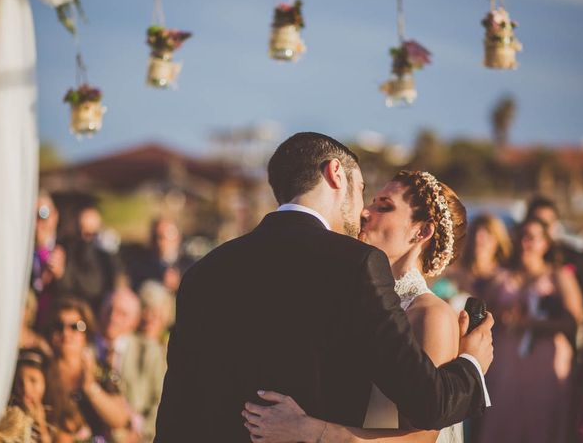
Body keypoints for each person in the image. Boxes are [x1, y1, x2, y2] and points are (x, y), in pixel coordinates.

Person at [154, 132, 493, 442]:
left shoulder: (204, 270)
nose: (363, 211)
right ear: (335, 174)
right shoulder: (355, 266)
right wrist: (471, 366)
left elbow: (176, 406)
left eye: (382, 205)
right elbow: (430, 403)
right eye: (363, 192)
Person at [242, 170, 472, 442]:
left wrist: (306, 429)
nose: (365, 212)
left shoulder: (432, 315)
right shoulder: (352, 295)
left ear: (421, 231)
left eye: (384, 206)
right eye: (372, 202)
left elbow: (422, 438)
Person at [477, 217, 583, 443]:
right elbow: (482, 313)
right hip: (506, 364)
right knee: (504, 421)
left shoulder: (559, 276)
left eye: (532, 238)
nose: (525, 242)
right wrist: (502, 314)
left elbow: (573, 320)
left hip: (544, 365)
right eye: (522, 236)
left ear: (545, 243)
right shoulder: (502, 276)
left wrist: (531, 324)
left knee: (541, 424)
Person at [45, 297, 131, 441]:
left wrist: (90, 387)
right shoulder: (41, 370)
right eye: (58, 326)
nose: (66, 333)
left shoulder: (101, 370)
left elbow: (120, 419)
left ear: (86, 333)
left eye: (75, 327)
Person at [98, 287, 166, 442]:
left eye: (122, 313)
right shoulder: (85, 347)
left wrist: (141, 433)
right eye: (109, 309)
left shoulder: (149, 351)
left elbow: (161, 400)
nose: (113, 317)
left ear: (135, 321)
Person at [57, 206, 125, 314]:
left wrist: (64, 274)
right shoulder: (67, 248)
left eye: (89, 234)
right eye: (80, 232)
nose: (83, 238)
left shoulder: (104, 256)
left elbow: (93, 287)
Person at [0, 349, 53, 443]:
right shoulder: (5, 415)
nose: (26, 389)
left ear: (45, 383)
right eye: (20, 382)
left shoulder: (54, 418)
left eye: (33, 381)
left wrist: (41, 425)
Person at [129, 218, 193, 293]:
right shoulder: (140, 266)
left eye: (164, 237)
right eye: (157, 237)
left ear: (177, 238)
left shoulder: (190, 265)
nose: (160, 242)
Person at [31, 190, 66, 328]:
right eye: (32, 216)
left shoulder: (71, 248)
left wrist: (61, 274)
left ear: (55, 215)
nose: (39, 221)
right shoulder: (15, 253)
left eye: (43, 213)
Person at [138, 280, 176, 347]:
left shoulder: (171, 344)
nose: (148, 316)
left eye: (154, 311)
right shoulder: (128, 341)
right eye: (144, 309)